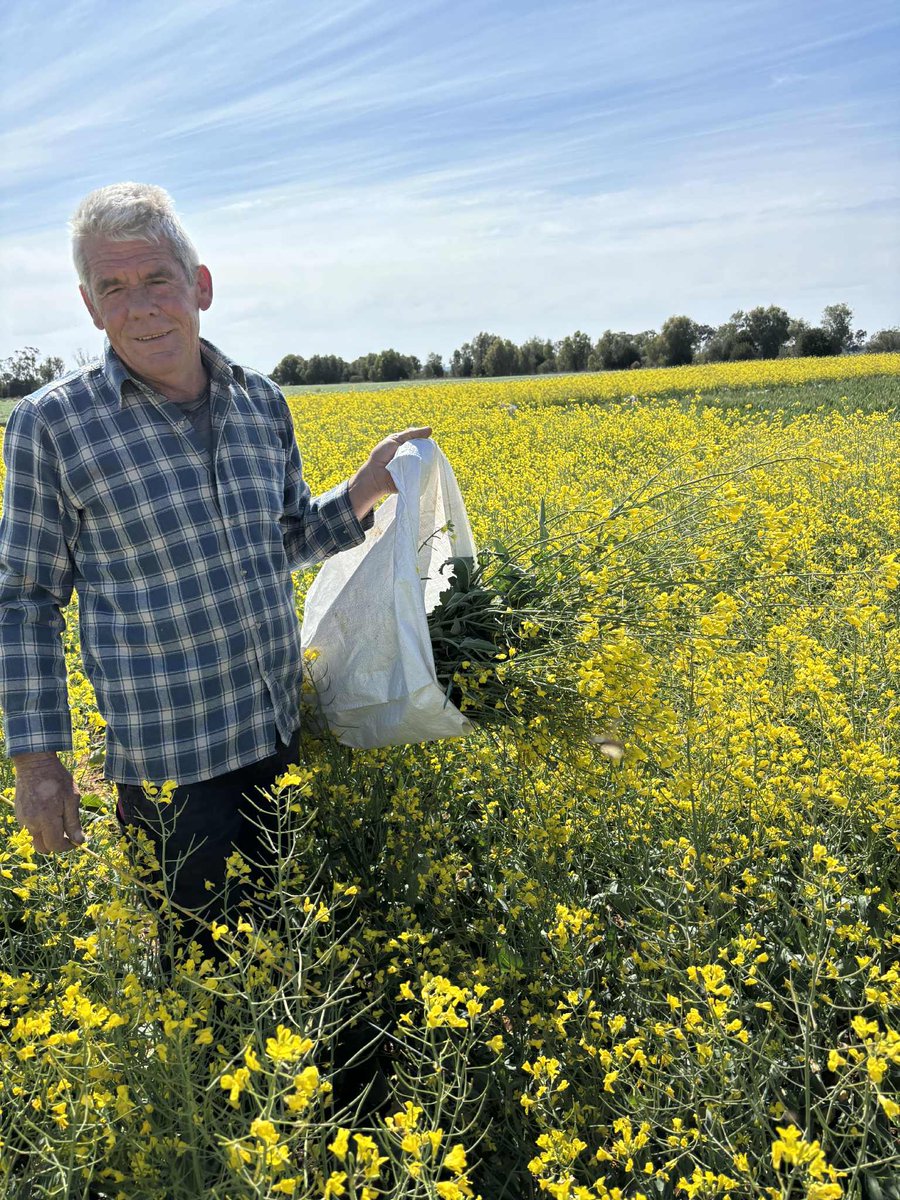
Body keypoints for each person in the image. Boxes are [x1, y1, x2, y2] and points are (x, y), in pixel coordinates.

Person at [0, 181, 431, 969]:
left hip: (277, 733)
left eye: (157, 279)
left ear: (199, 285)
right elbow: (23, 602)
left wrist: (366, 489)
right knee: (202, 969)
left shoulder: (260, 404)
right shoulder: (51, 426)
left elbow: (287, 538)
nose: (140, 307)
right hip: (174, 772)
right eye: (113, 289)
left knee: (287, 946)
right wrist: (38, 764)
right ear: (91, 308)